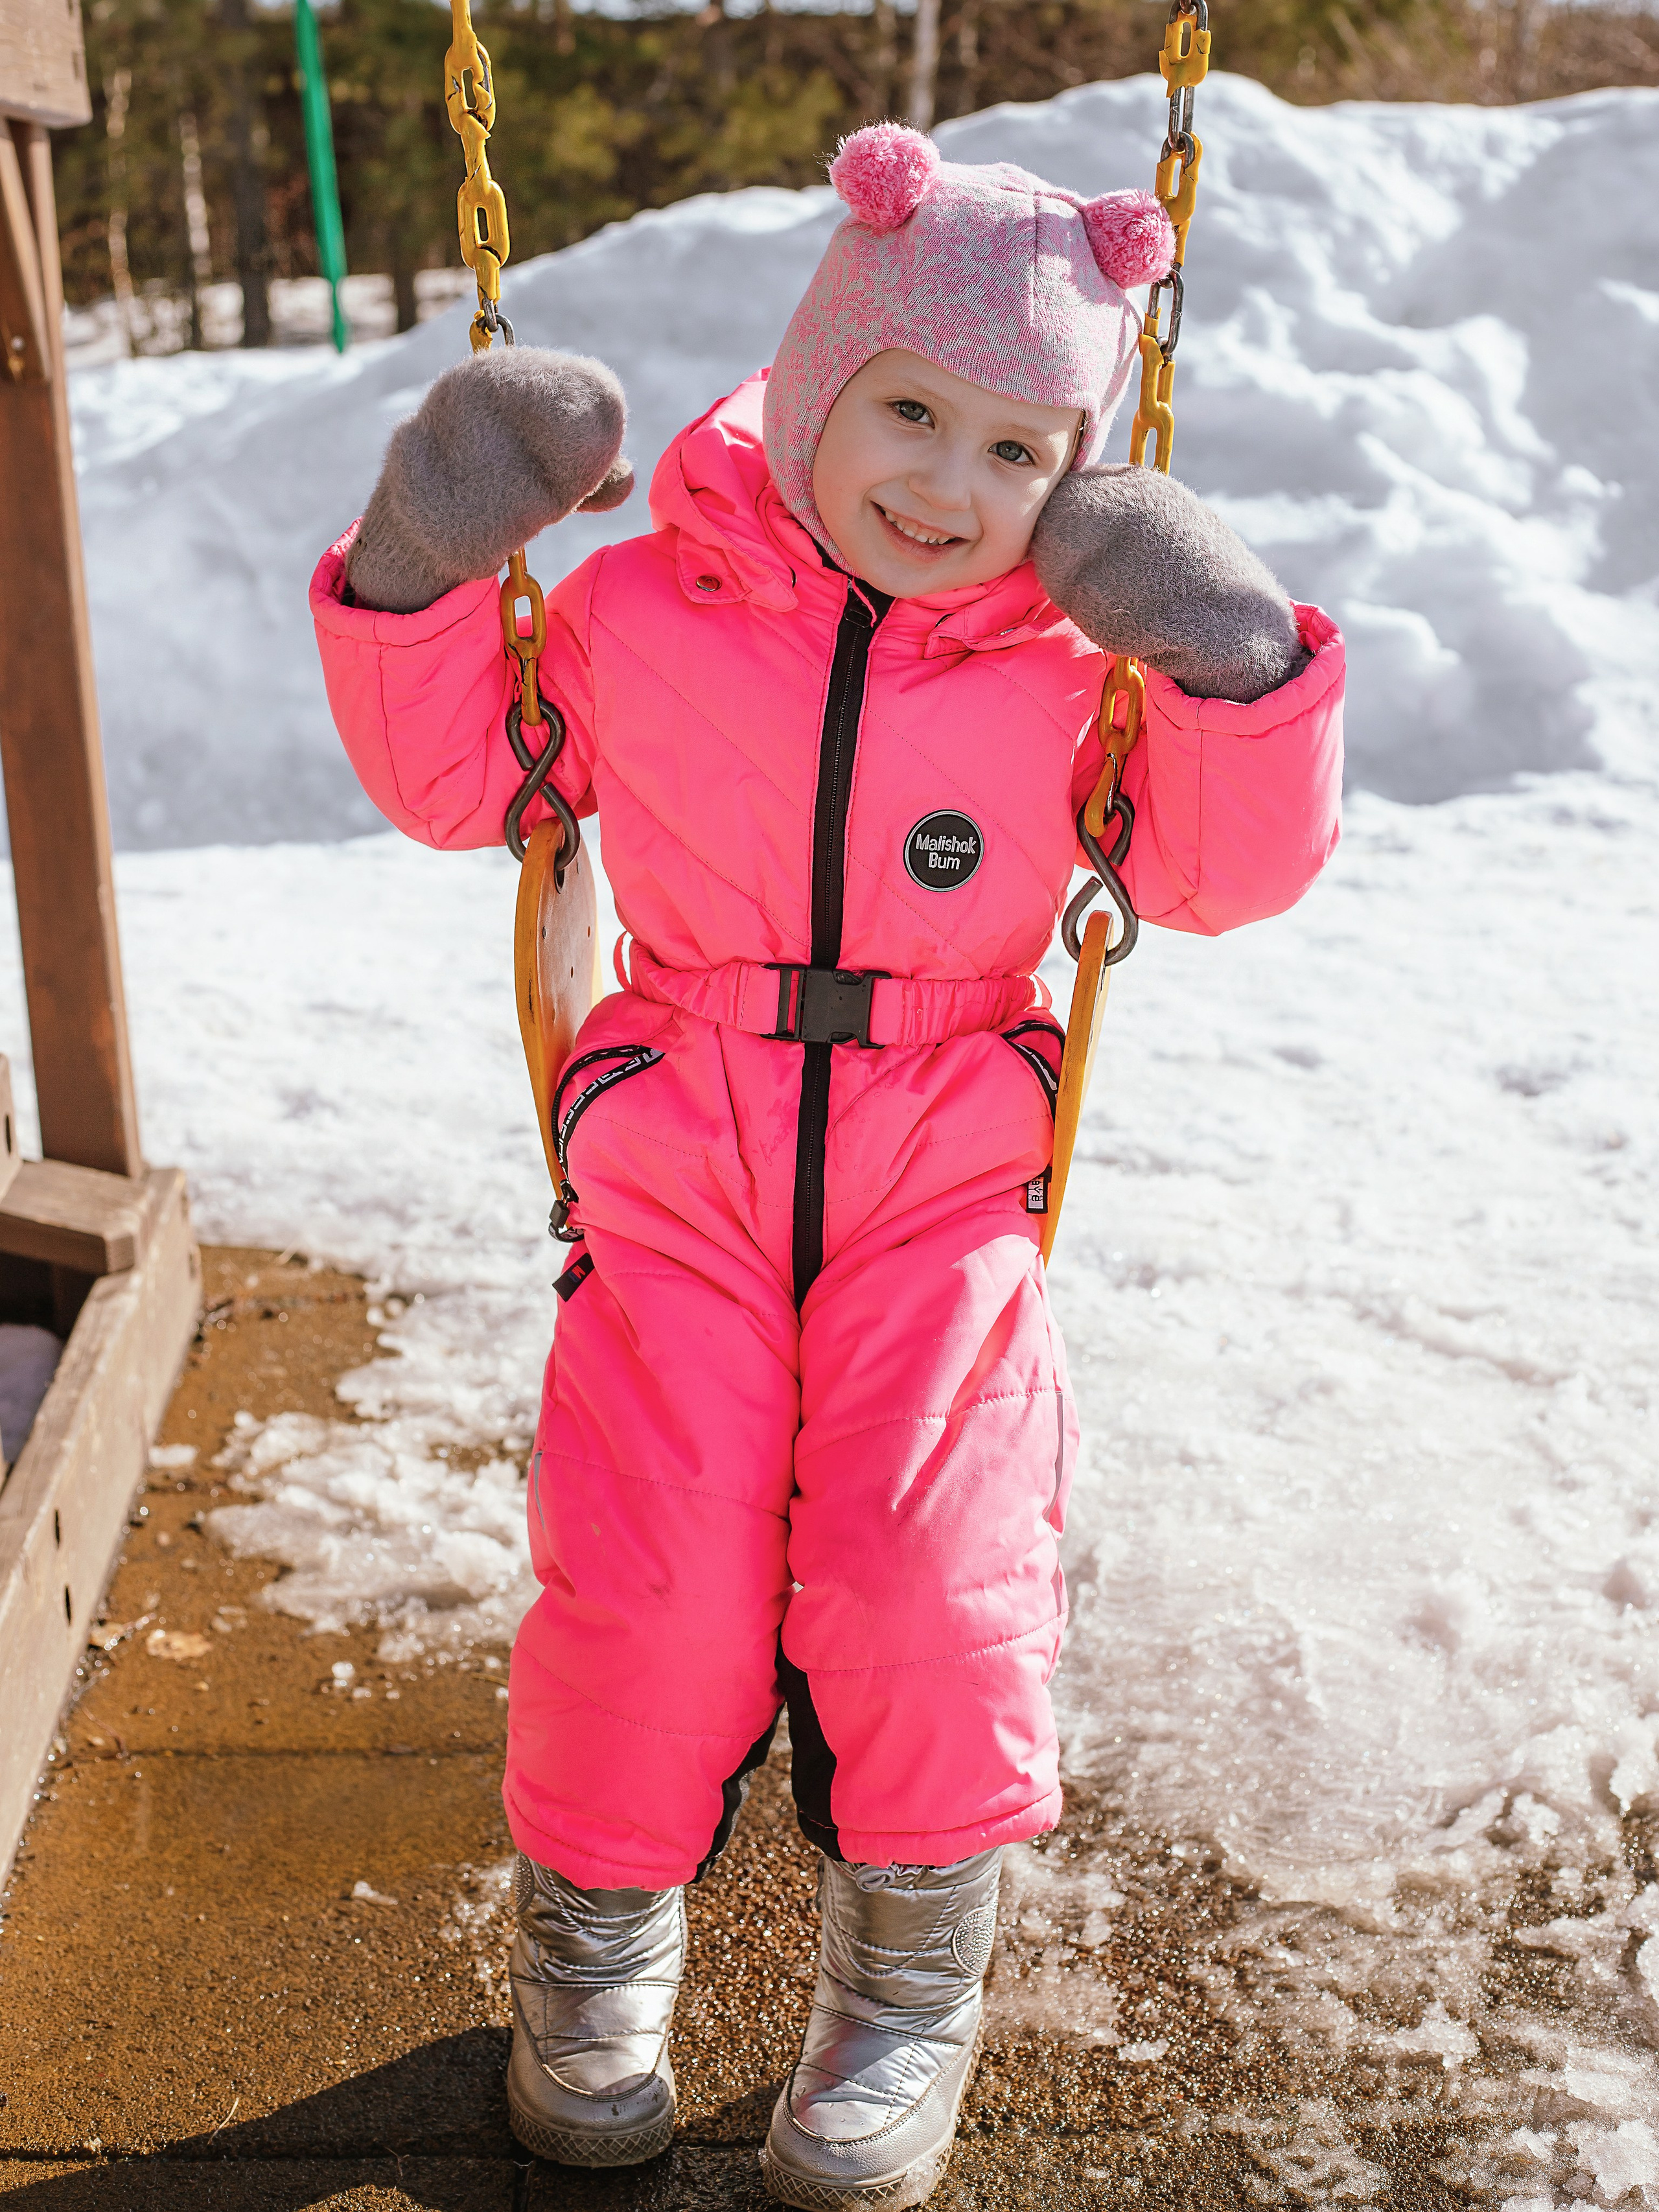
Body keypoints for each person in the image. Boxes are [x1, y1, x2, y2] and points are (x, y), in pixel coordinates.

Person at [311, 122, 1344, 2211]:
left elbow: (1222, 874)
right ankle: (592, 1960)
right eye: (908, 412)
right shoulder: (638, 609)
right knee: (655, 1559)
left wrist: (1227, 667)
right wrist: (429, 554)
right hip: (682, 1140)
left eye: (1021, 453)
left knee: (928, 1566)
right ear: (810, 380)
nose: (950, 487)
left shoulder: (1075, 676)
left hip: (947, 1163)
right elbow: (460, 784)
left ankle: (907, 1988)